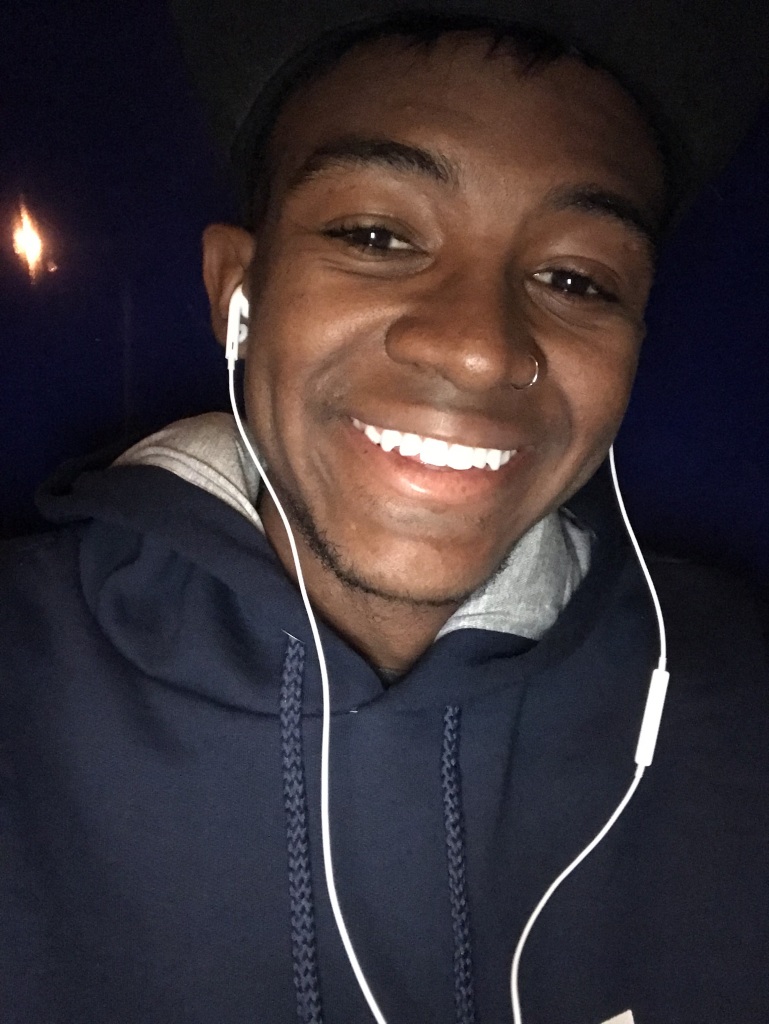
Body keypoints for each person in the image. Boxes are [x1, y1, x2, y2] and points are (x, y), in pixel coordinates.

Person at [1, 2, 767, 1022]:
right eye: (375, 235)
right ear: (237, 291)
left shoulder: (737, 693)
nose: (479, 348)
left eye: (574, 278)